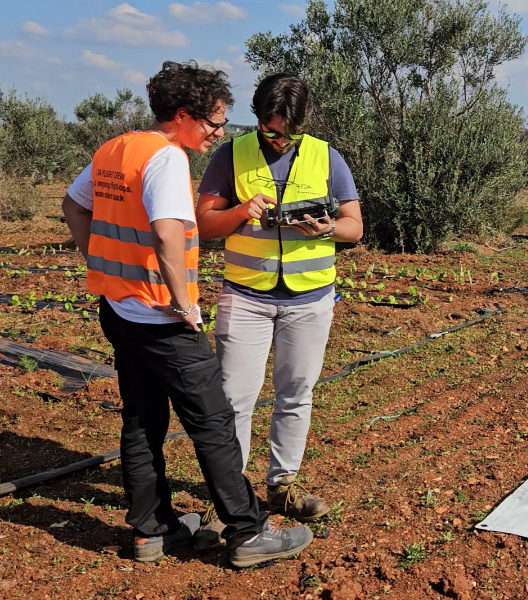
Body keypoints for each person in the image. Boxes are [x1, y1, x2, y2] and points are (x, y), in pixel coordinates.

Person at [61, 61, 313, 567]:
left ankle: (152, 530)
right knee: (214, 423)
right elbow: (169, 234)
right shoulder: (167, 158)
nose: (219, 133)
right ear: (182, 116)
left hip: (119, 309)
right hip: (161, 318)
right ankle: (247, 533)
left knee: (142, 417)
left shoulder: (116, 147)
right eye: (214, 123)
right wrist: (185, 304)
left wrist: (101, 261)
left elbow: (73, 204)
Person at [192, 73, 363, 546]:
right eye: (269, 130)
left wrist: (327, 228)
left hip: (309, 299)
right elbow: (204, 223)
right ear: (256, 118)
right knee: (233, 401)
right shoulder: (232, 155)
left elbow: (355, 227)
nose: (278, 139)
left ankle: (282, 486)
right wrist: (243, 210)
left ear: (303, 123)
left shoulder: (326, 156)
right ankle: (229, 499)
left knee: (297, 392)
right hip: (246, 296)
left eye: (287, 132)